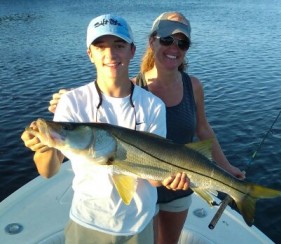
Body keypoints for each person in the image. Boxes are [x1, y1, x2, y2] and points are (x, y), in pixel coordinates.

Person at [48, 12, 245, 244]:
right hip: (142, 188)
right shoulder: (134, 87)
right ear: (152, 41)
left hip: (181, 177)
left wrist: (227, 167)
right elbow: (108, 96)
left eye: (182, 42)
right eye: (167, 39)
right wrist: (64, 102)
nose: (174, 47)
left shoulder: (193, 86)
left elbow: (203, 129)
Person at [21, 14, 189, 244]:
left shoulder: (152, 105)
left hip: (139, 224)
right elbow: (48, 171)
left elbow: (154, 181)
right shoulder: (72, 102)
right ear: (90, 54)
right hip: (87, 221)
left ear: (132, 51)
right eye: (100, 47)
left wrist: (170, 178)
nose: (110, 54)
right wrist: (44, 145)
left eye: (118, 45)